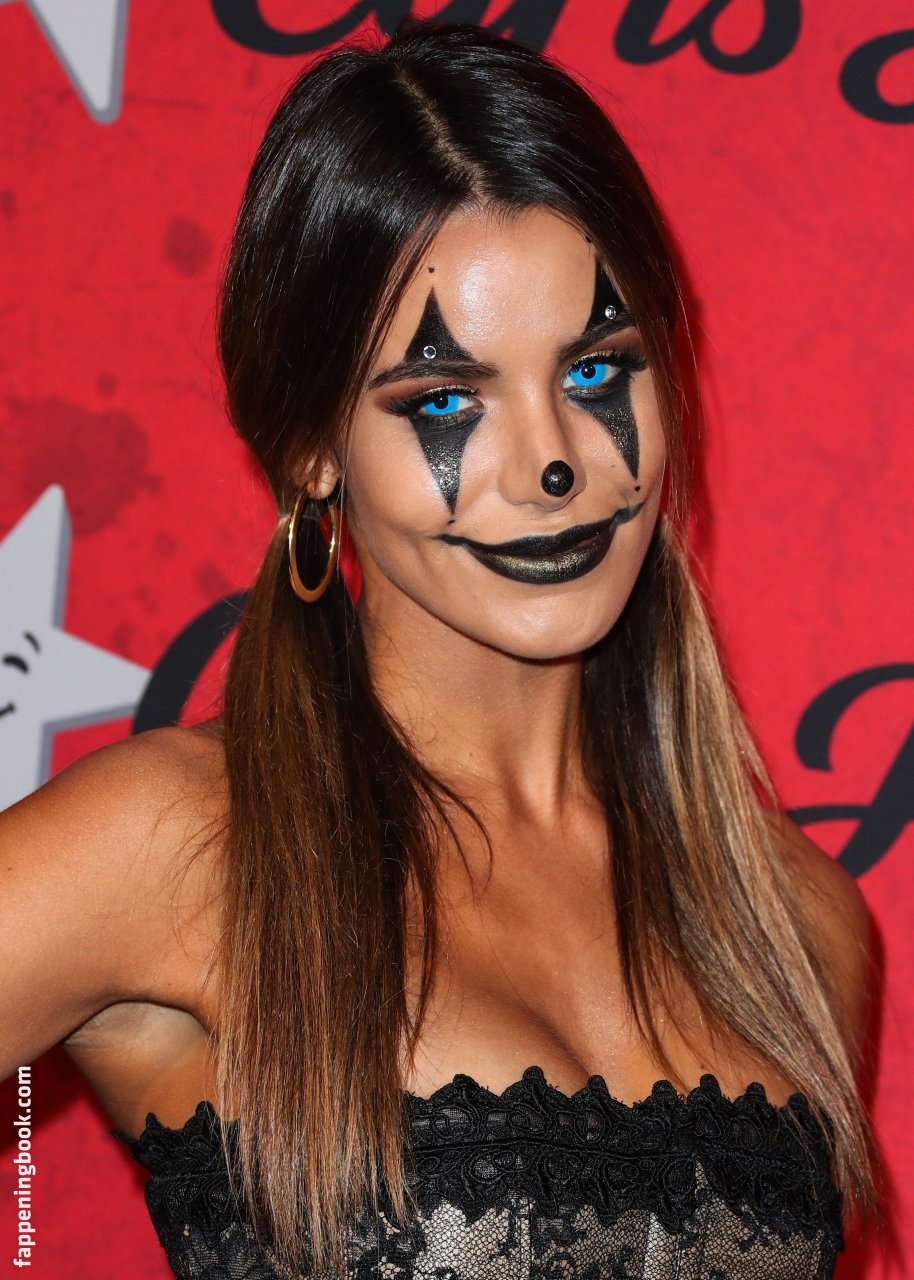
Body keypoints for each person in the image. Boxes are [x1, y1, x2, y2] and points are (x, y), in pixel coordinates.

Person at [0, 20, 877, 1279]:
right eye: (446, 400)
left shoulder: (797, 927)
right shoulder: (186, 845)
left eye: (596, 371)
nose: (552, 460)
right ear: (311, 448)